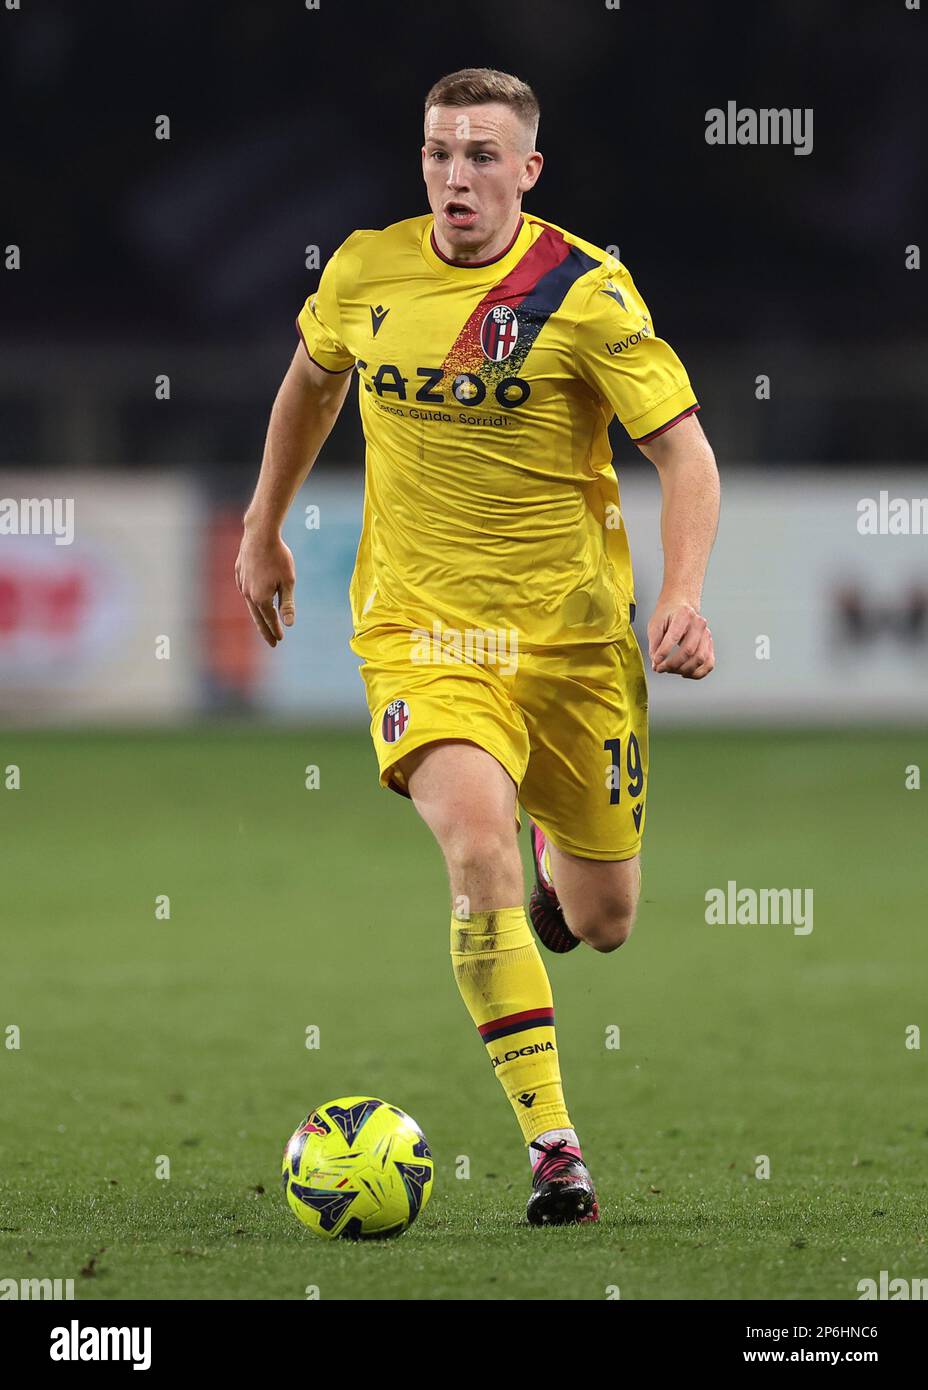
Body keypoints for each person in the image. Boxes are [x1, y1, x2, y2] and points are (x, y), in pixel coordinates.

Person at [235, 67, 720, 1226]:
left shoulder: (587, 293)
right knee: (473, 845)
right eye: (438, 153)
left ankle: (561, 847)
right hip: (422, 632)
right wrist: (262, 526)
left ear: (527, 170)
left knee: (600, 922)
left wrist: (686, 593)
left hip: (572, 646)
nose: (456, 175)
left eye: (482, 155)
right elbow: (311, 385)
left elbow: (686, 454)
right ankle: (555, 1148)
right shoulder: (363, 270)